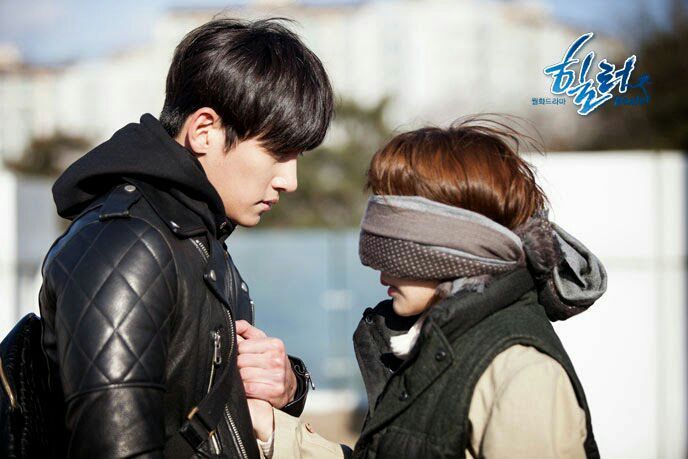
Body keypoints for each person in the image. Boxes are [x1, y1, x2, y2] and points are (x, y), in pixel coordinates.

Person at [38, 18, 333, 457]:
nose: (290, 180)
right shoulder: (125, 246)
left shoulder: (195, 236)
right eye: (278, 152)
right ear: (204, 131)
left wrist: (289, 386)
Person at [241, 117, 607, 458]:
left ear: (453, 250)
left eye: (396, 250)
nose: (380, 272)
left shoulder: (520, 376)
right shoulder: (437, 348)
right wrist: (277, 433)